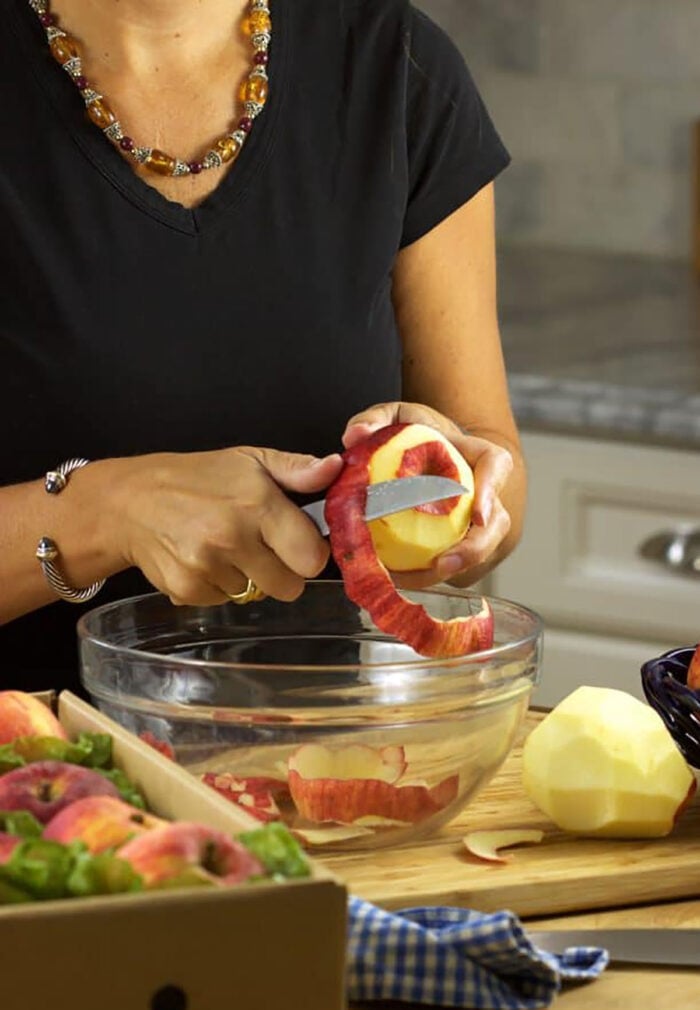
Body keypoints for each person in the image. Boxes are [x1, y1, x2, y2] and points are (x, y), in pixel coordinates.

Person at [1, 0, 526, 696]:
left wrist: (464, 490)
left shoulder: (393, 65)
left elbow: (495, 464)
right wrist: (101, 512)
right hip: (31, 769)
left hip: (303, 767)